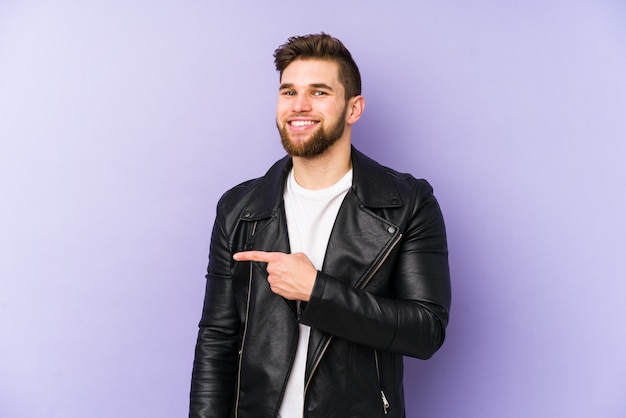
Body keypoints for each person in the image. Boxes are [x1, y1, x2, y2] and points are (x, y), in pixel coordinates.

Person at [189, 33, 451, 418]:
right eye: (289, 92)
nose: (300, 106)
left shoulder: (407, 204)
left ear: (353, 108)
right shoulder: (240, 208)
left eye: (320, 93)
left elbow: (426, 330)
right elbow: (217, 339)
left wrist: (317, 292)